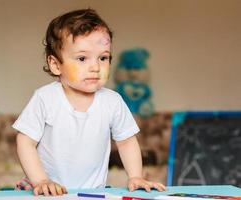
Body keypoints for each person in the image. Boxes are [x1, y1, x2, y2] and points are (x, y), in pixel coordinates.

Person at [12, 8, 166, 196]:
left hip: (92, 193)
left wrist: (135, 176)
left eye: (103, 58)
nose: (95, 67)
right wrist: (41, 180)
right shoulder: (45, 98)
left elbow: (126, 142)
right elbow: (25, 141)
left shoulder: (112, 101)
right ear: (55, 64)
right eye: (82, 58)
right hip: (48, 192)